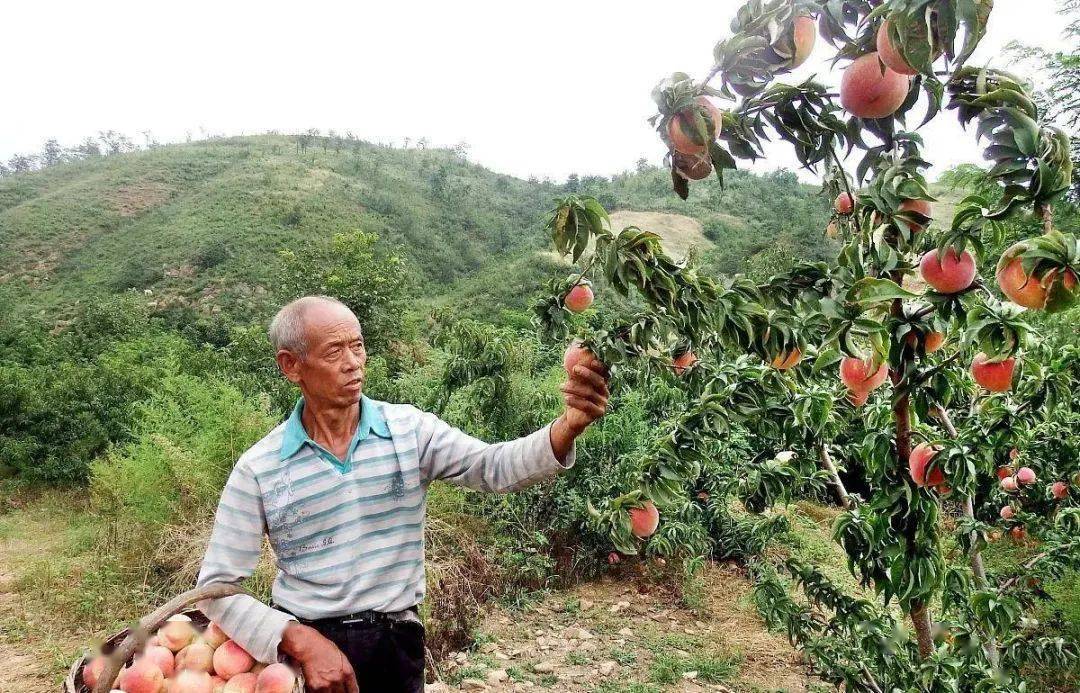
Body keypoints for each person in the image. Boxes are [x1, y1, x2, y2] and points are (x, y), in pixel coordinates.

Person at [195, 295, 610, 692]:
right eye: (334, 352)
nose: (354, 363)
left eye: (358, 347)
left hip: (395, 644)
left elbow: (492, 468)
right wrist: (296, 639)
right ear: (291, 366)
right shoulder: (261, 467)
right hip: (307, 654)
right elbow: (216, 586)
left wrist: (567, 426)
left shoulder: (409, 431)